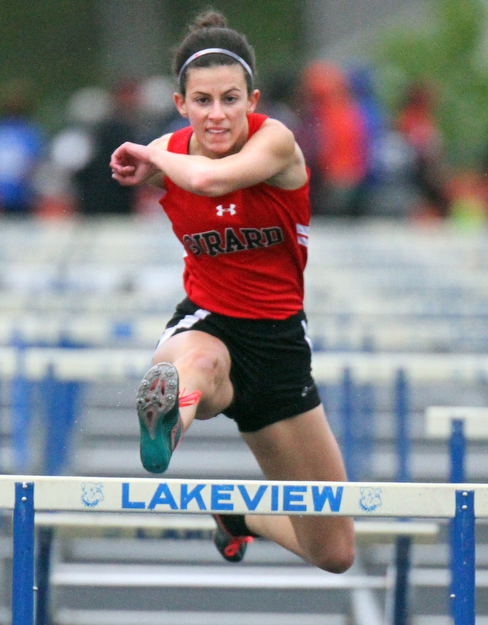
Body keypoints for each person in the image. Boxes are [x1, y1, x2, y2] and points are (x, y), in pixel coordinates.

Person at [110, 10, 355, 573]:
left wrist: (150, 163)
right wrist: (137, 166)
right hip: (205, 321)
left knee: (335, 552)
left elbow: (211, 179)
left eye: (229, 99)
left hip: (278, 347)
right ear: (181, 104)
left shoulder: (277, 143)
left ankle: (240, 517)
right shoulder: (164, 153)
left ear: (253, 100)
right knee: (199, 364)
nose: (216, 115)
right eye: (202, 101)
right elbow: (142, 170)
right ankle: (167, 415)